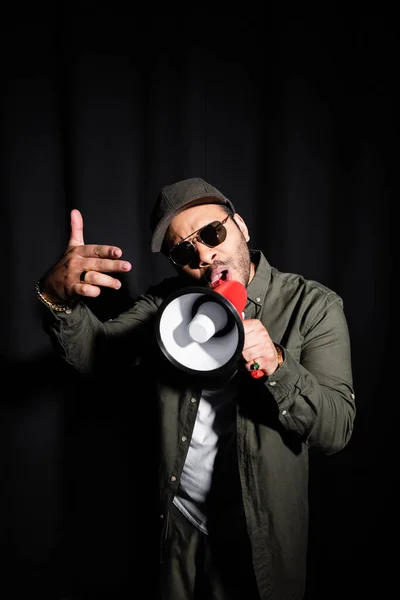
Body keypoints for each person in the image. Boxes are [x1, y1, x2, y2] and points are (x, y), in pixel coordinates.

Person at [35, 177, 356, 600]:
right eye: (185, 252)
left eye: (212, 233)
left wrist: (277, 364)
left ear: (239, 225)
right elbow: (96, 353)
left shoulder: (312, 306)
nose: (205, 254)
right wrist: (58, 299)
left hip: (257, 535)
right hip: (178, 529)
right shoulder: (167, 304)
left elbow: (336, 432)